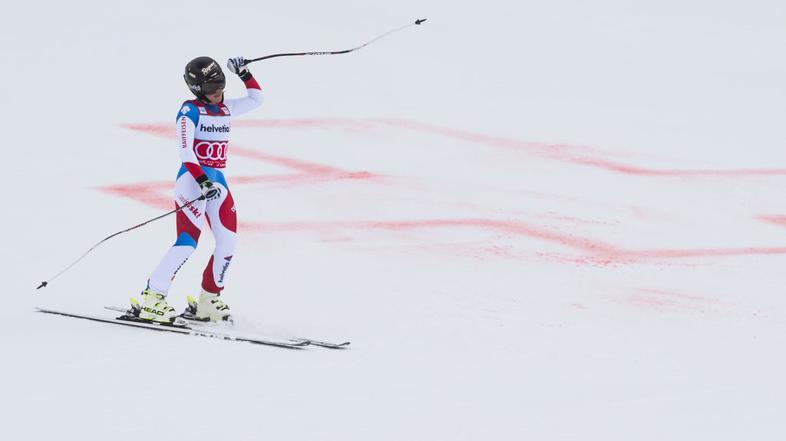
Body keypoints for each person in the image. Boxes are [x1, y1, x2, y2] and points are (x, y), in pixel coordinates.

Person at [136, 56, 263, 323]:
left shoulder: (227, 108)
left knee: (228, 240)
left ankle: (208, 299)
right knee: (187, 243)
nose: (217, 93)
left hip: (217, 182)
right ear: (196, 90)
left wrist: (245, 73)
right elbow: (186, 153)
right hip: (193, 182)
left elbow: (255, 99)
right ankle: (152, 297)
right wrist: (202, 182)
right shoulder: (189, 111)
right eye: (210, 88)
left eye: (221, 85)